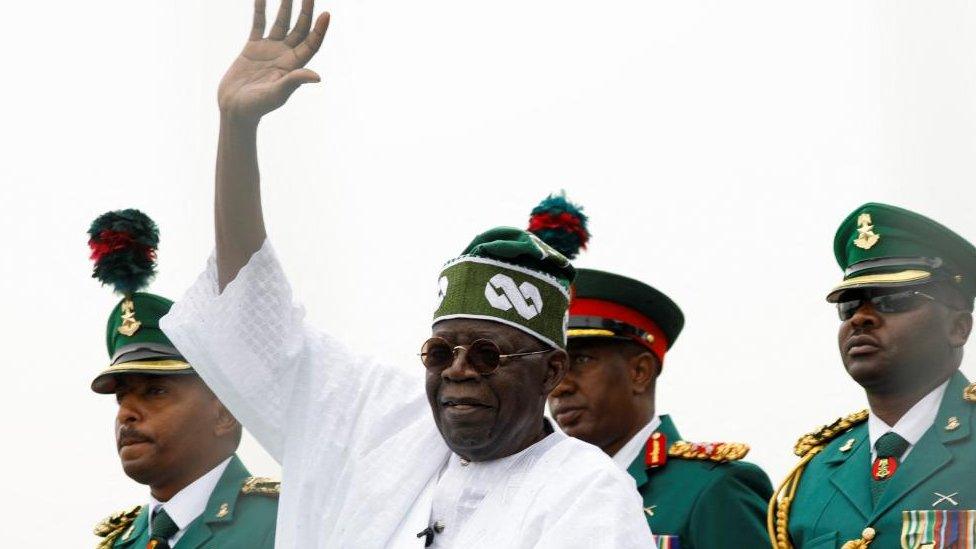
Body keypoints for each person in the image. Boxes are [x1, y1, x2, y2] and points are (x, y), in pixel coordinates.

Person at [160, 1, 653, 547]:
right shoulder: (380, 430)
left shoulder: (587, 495)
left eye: (488, 355)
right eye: (441, 353)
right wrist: (237, 128)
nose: (459, 371)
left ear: (551, 371)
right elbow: (252, 315)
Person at [769, 203, 976, 549]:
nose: (860, 319)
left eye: (892, 299)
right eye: (849, 306)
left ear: (958, 328)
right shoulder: (811, 478)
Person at [88, 209, 279, 549]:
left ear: (224, 413)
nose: (126, 414)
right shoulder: (119, 544)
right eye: (121, 397)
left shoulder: (282, 523)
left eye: (155, 391)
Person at [545, 266, 772, 548]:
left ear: (639, 372)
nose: (559, 386)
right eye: (552, 370)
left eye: (580, 361)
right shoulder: (550, 497)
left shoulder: (713, 487)